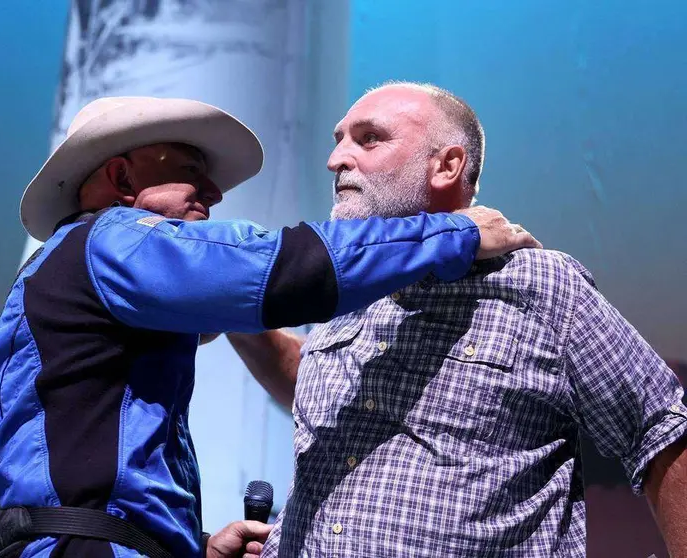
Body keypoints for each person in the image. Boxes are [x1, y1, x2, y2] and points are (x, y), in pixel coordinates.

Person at [0, 96, 537, 558]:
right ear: (122, 177)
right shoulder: (113, 238)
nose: (212, 192)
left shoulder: (49, 288)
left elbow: (63, 463)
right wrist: (455, 235)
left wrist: (186, 545)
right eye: (191, 170)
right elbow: (279, 269)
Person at [225, 82, 687, 557]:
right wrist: (230, 308)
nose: (336, 159)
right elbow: (313, 381)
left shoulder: (538, 283)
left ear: (447, 166)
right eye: (338, 139)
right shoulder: (351, 288)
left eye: (368, 139)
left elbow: (661, 429)